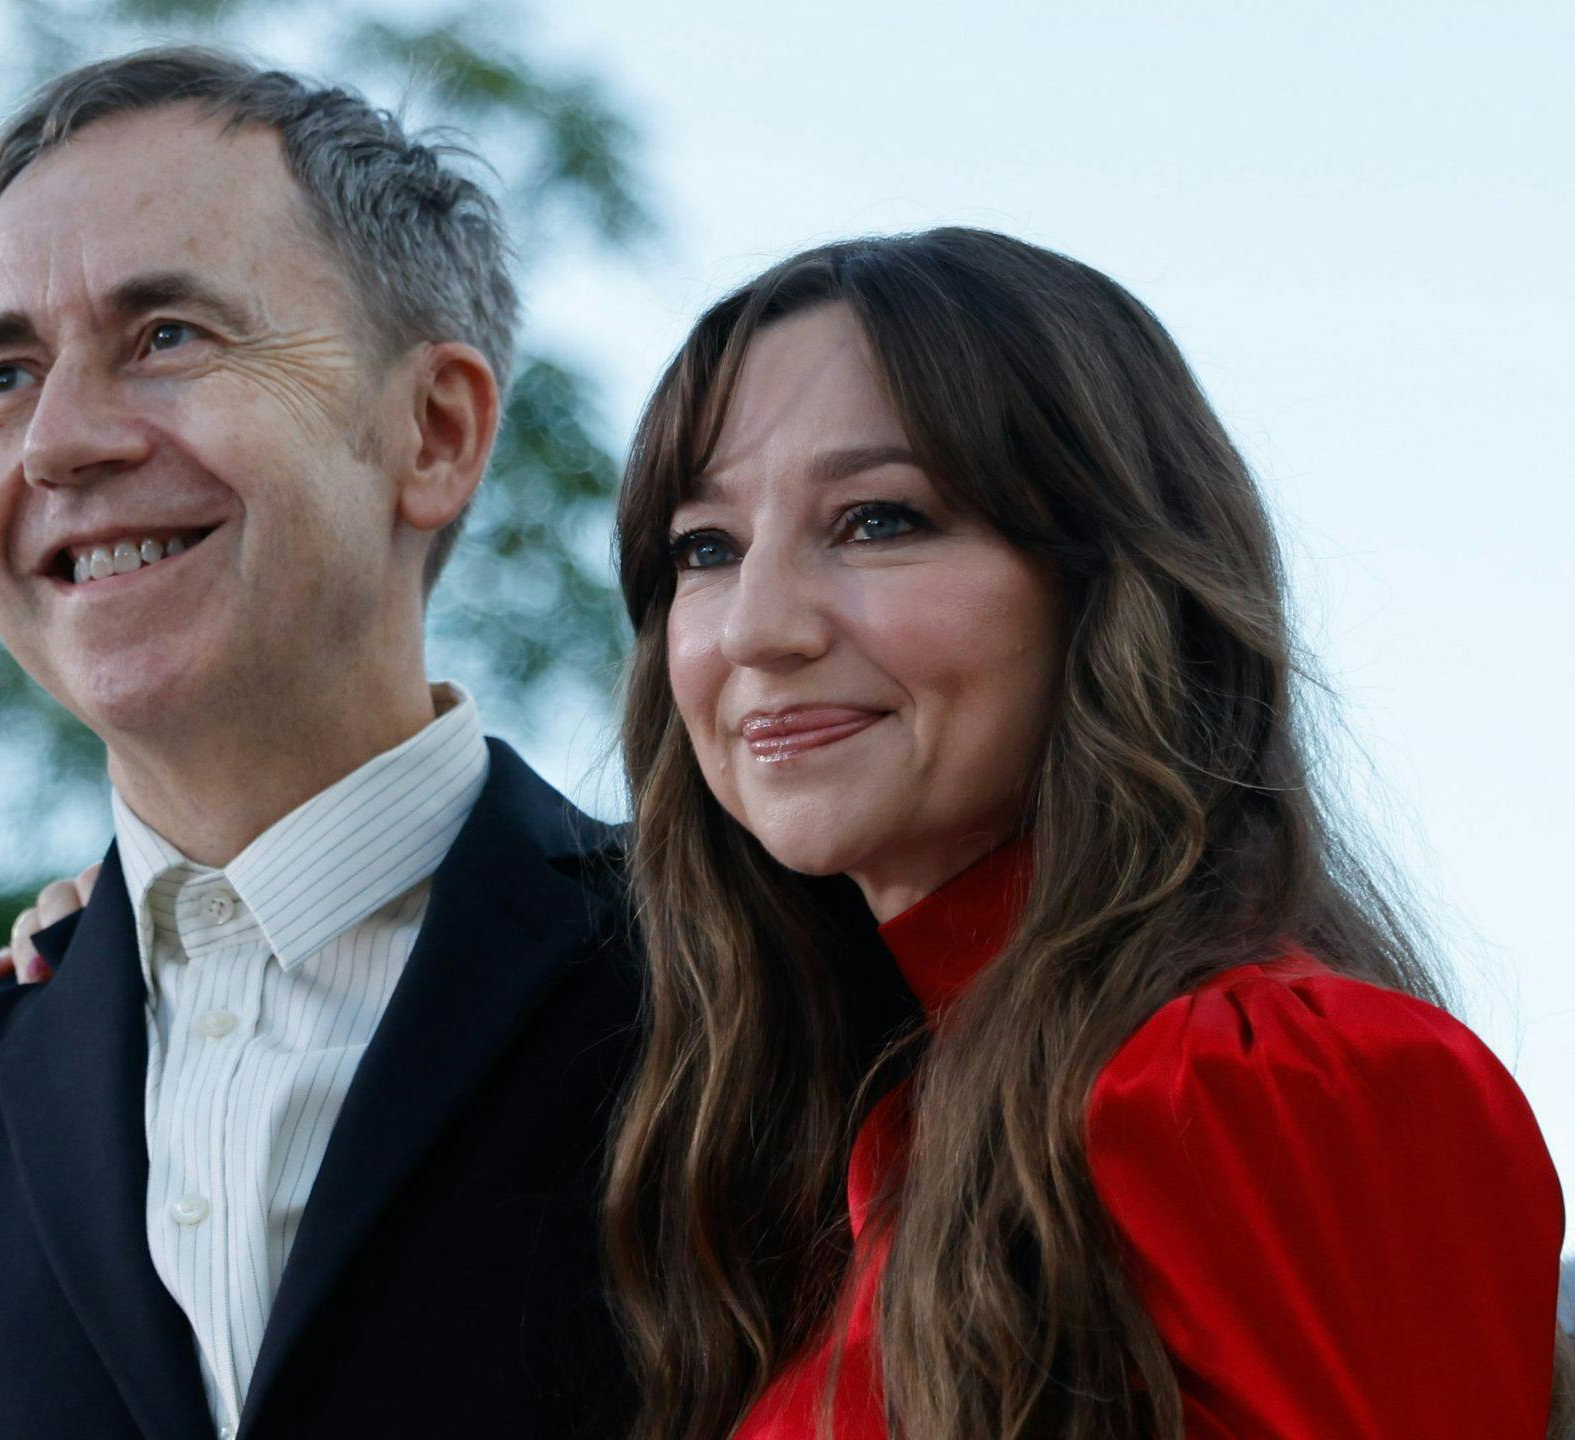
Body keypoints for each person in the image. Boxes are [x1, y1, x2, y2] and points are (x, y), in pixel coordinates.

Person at [0, 47, 640, 1440]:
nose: (55, 445)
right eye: (1, 374)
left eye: (166, 335)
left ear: (433, 430)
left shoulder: (747, 993)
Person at [601, 227, 1569, 1438]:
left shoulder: (1266, 1079)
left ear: (1106, 584)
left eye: (877, 521)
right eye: (705, 547)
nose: (755, 629)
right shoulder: (833, 1147)